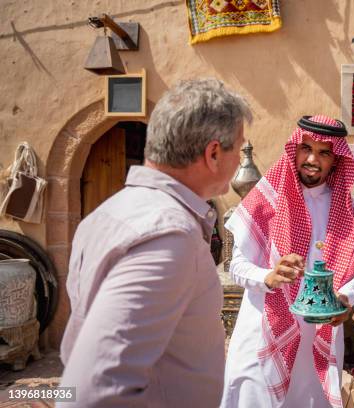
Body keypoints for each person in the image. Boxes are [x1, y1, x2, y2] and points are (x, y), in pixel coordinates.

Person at [57, 78, 251, 407]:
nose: (241, 160)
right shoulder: (169, 237)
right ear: (214, 153)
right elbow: (93, 392)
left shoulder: (108, 213)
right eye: (240, 147)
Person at [221, 115, 354, 408]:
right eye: (306, 148)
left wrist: (347, 297)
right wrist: (268, 276)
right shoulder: (265, 198)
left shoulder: (348, 208)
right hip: (263, 338)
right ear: (294, 149)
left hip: (316, 350)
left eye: (323, 152)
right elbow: (236, 265)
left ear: (336, 159)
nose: (312, 159)